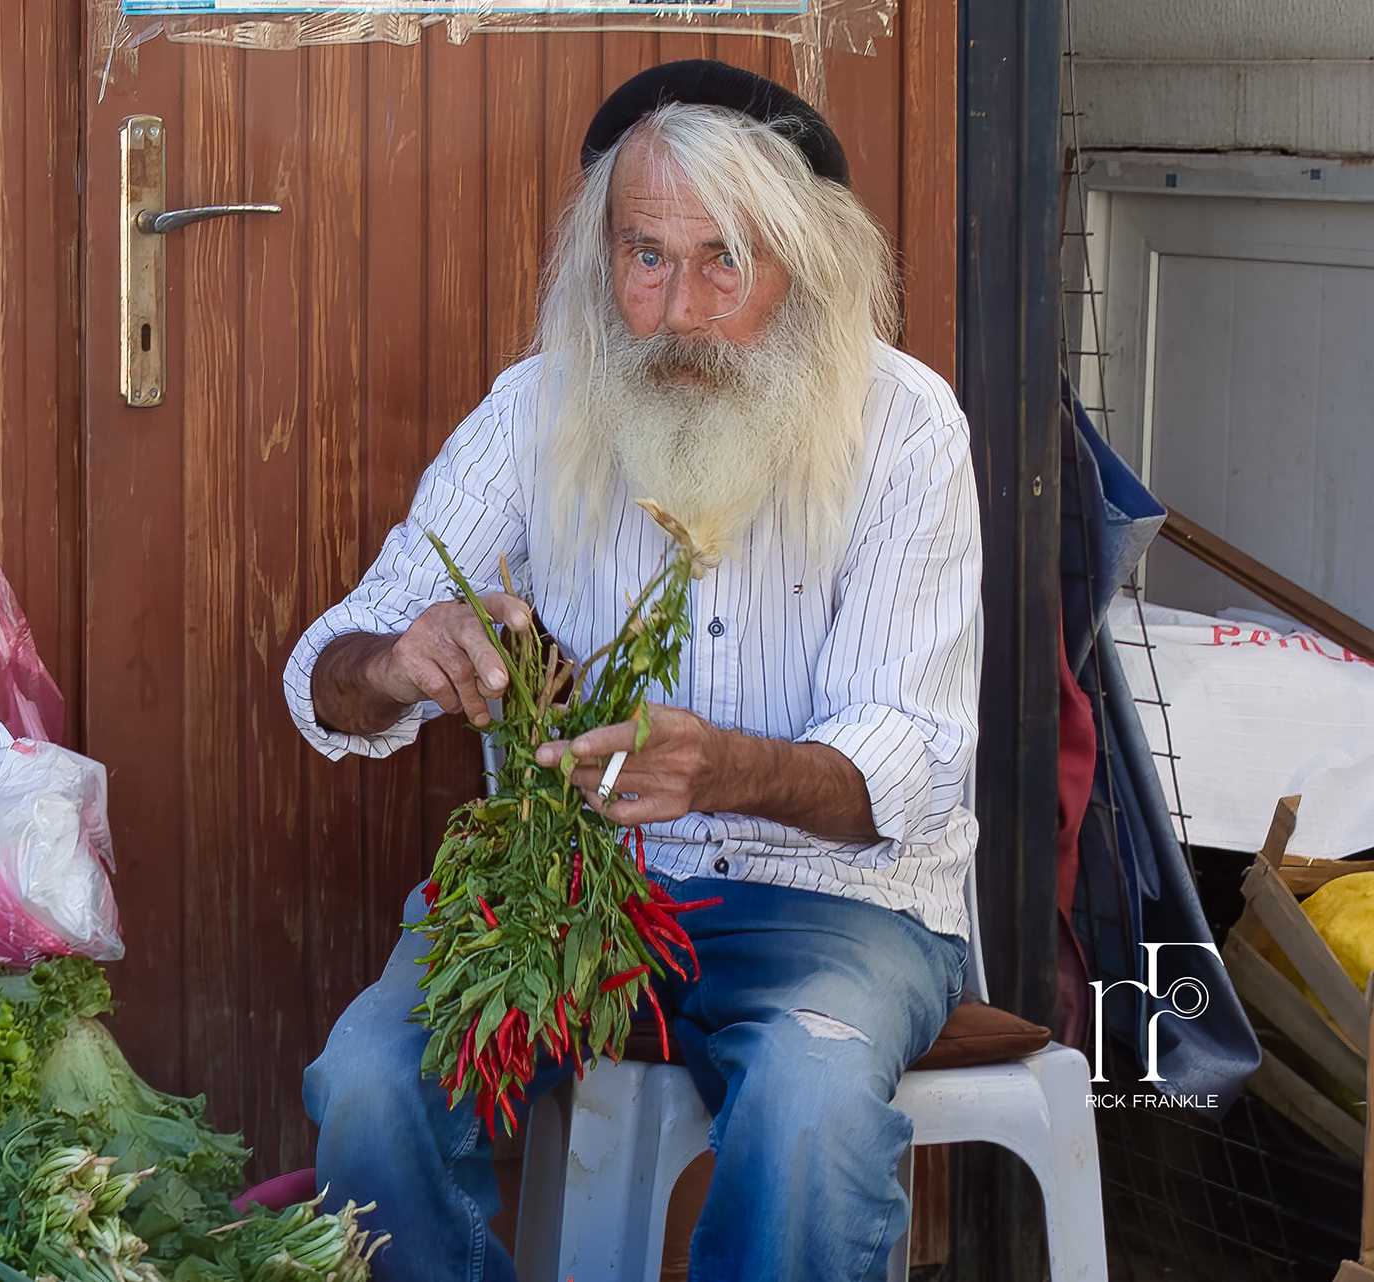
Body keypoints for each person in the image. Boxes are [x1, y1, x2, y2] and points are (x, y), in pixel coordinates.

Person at [280, 60, 981, 1282]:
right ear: (603, 262)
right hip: (577, 884)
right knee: (368, 1084)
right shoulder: (538, 409)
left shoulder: (907, 428)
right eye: (646, 257)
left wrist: (728, 770)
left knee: (814, 1110)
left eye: (729, 259)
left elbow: (912, 757)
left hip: (836, 905)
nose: (682, 309)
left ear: (803, 268)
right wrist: (404, 658)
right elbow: (328, 675)